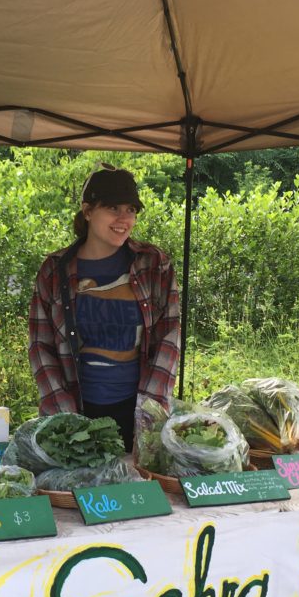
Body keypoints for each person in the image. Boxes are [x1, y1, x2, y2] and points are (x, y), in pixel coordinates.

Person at [29, 164, 181, 451]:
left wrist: (149, 414)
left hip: (137, 410)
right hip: (75, 410)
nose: (124, 218)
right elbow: (40, 346)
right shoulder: (54, 270)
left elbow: (169, 336)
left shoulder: (153, 264)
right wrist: (66, 420)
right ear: (88, 211)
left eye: (131, 210)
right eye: (113, 208)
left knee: (136, 490)